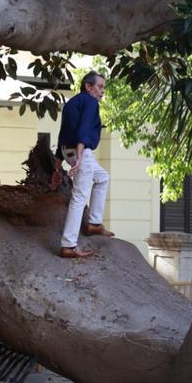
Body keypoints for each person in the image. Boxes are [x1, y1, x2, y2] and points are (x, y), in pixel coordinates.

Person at [54, 71, 114, 258]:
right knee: (79, 197)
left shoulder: (71, 103)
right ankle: (69, 245)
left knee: (102, 177)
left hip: (67, 150)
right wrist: (80, 155)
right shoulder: (90, 102)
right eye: (100, 86)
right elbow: (84, 129)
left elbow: (63, 133)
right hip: (81, 152)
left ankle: (94, 224)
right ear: (88, 86)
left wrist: (57, 164)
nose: (102, 91)